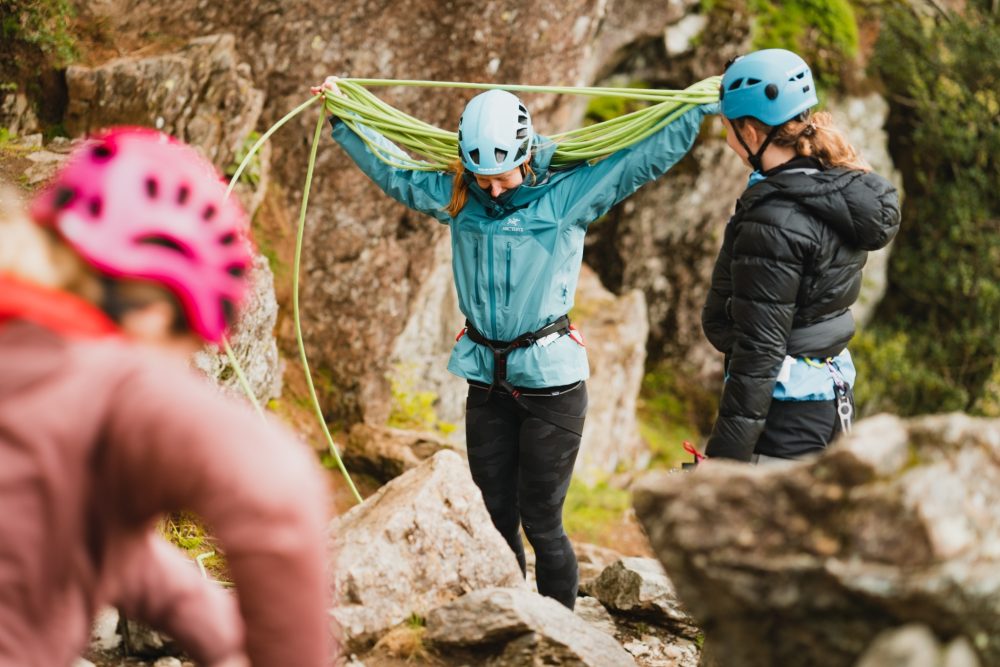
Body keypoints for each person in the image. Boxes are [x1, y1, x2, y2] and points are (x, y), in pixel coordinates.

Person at [313, 76, 717, 608]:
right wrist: (347, 117)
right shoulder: (463, 197)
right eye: (482, 178)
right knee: (493, 511)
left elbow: (639, 159)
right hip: (486, 378)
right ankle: (507, 621)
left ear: (526, 156)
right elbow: (399, 174)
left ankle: (563, 634)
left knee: (542, 521)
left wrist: (696, 107)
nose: (493, 189)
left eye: (501, 178)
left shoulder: (566, 196)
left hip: (552, 385)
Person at [0, 127, 334, 666]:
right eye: (183, 351)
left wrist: (217, 634)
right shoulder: (98, 369)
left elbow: (72, 528)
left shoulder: (24, 357)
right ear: (155, 313)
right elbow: (277, 485)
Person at [700, 49, 901, 464]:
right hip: (827, 398)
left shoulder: (774, 220)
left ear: (751, 134)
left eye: (727, 127)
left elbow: (761, 352)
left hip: (785, 415)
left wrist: (722, 466)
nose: (725, 138)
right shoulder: (832, 188)